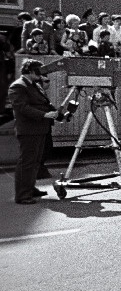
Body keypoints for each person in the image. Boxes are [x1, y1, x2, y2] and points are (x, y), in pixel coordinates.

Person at [8, 59, 60, 204]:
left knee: (36, 162)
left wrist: (56, 113)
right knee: (27, 162)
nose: (41, 75)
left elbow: (44, 103)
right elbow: (22, 108)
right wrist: (44, 115)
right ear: (30, 71)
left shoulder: (34, 85)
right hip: (29, 130)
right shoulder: (18, 86)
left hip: (39, 128)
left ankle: (30, 188)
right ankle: (22, 195)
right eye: (39, 72)